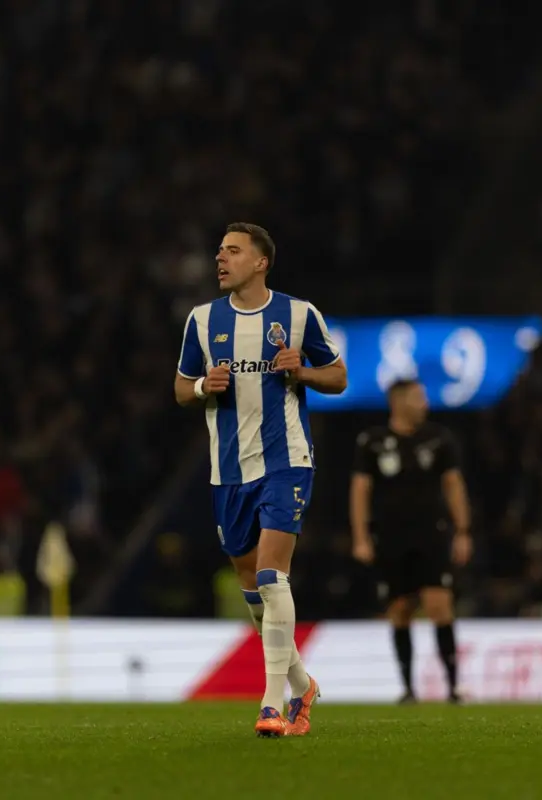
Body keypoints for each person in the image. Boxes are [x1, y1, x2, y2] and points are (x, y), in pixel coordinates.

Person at [175, 222, 347, 737]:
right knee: (253, 591)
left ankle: (272, 703)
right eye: (219, 251)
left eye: (232, 251)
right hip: (228, 471)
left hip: (286, 461)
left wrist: (304, 373)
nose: (220, 259)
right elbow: (182, 388)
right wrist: (207, 383)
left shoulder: (297, 315)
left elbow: (338, 377)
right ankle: (302, 683)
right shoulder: (202, 321)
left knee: (273, 579)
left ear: (260, 262)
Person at [349, 379, 472, 704]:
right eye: (418, 397)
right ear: (398, 402)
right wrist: (361, 537)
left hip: (433, 534)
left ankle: (453, 687)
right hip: (390, 537)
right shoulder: (372, 442)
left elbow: (453, 484)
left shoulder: (438, 439)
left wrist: (463, 531)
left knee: (439, 604)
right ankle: (408, 688)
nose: (424, 403)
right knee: (400, 608)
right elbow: (360, 490)